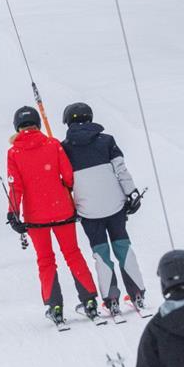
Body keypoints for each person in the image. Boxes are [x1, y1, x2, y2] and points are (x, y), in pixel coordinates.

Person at [6, 105, 99, 326]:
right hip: (61, 209)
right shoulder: (53, 144)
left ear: (17, 127)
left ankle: (54, 306)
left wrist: (13, 213)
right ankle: (89, 301)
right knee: (73, 254)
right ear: (38, 122)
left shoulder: (14, 153)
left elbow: (15, 186)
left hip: (35, 216)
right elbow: (68, 176)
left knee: (46, 260)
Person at [60, 102, 147, 317]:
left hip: (88, 209)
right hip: (115, 204)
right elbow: (121, 170)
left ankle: (111, 298)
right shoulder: (107, 141)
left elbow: (65, 181)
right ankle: (136, 293)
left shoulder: (64, 147)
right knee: (123, 247)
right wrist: (132, 193)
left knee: (101, 253)